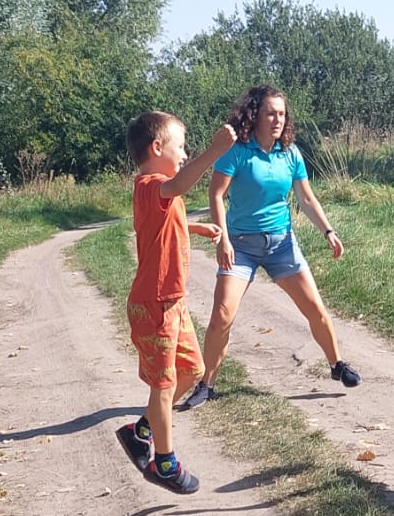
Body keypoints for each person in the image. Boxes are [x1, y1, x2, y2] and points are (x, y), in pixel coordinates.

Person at [178, 85, 356, 409]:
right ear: (255, 116)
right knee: (222, 315)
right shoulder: (236, 151)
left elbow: (306, 198)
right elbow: (215, 195)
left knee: (315, 308)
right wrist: (223, 240)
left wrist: (328, 231)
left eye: (282, 114)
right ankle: (207, 385)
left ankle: (337, 364)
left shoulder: (290, 153)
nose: (277, 120)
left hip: (281, 244)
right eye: (270, 113)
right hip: (241, 246)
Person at [112, 112, 234, 493]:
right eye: (180, 147)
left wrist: (194, 228)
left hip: (173, 302)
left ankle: (140, 432)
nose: (184, 154)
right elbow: (178, 186)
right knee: (163, 387)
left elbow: (163, 223)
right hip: (154, 305)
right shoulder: (150, 185)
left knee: (192, 371)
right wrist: (215, 151)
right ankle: (164, 463)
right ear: (156, 148)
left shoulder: (162, 194)